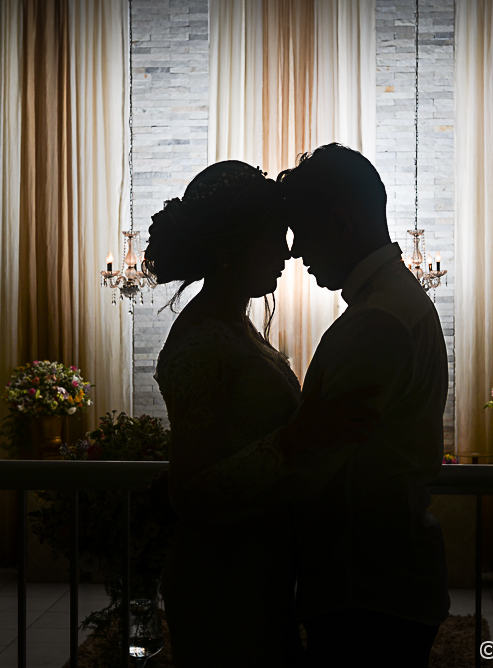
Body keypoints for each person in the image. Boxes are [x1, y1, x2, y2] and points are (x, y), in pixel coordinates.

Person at [144, 160, 378, 668]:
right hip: (222, 578)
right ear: (231, 250)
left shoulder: (233, 325)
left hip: (260, 566)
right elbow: (190, 493)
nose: (288, 253)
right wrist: (296, 439)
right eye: (274, 239)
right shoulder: (204, 343)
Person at [277, 143, 450, 667]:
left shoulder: (377, 321)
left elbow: (312, 467)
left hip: (367, 587)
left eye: (301, 232)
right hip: (384, 579)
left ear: (339, 223)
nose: (295, 252)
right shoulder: (395, 301)